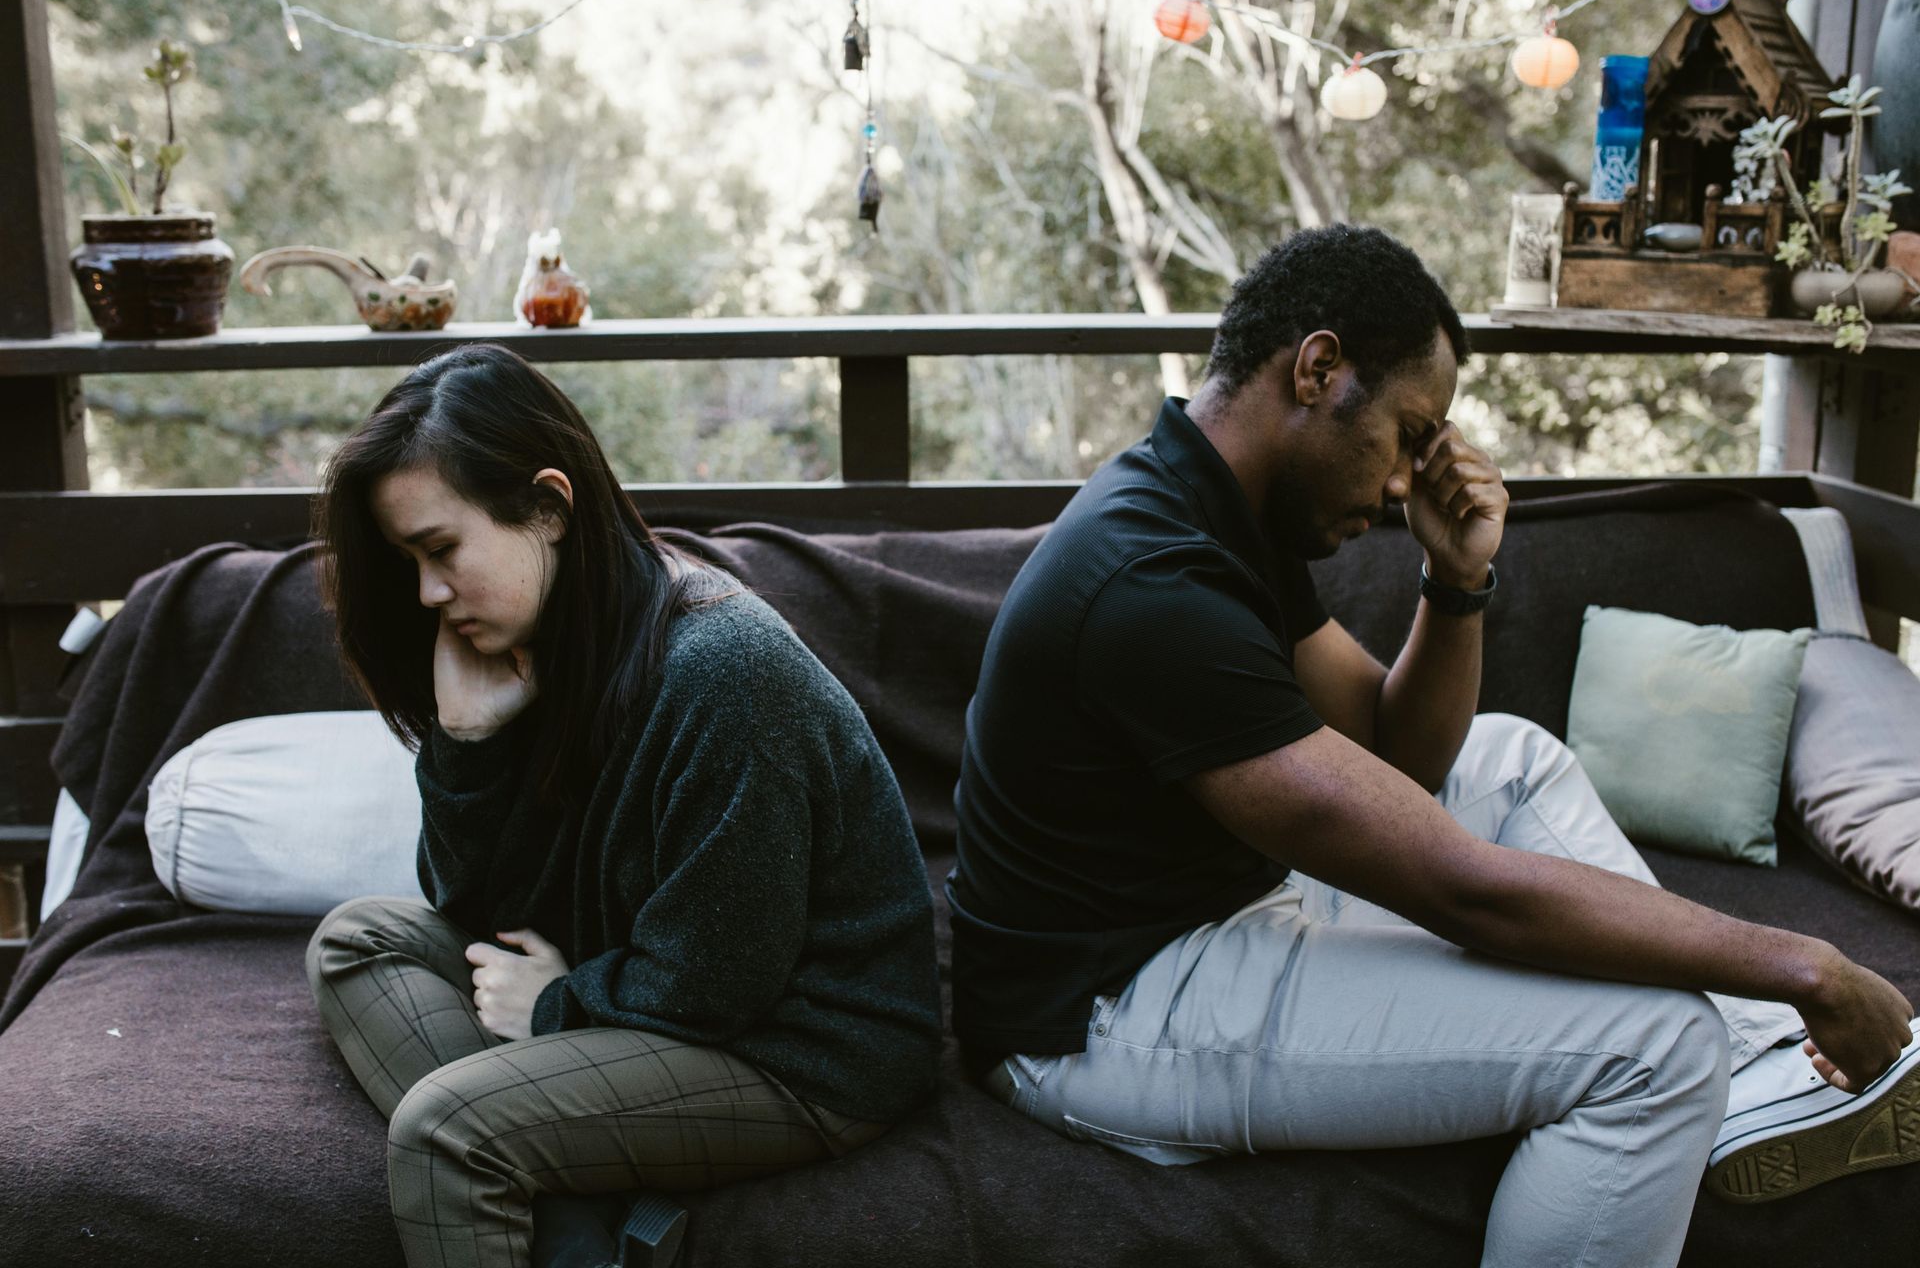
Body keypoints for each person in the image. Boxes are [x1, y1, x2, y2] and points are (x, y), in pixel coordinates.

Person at [947, 224, 1920, 1267]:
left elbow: (1401, 754)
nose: (1413, 480)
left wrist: (1456, 581)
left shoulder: (1213, 503)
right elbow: (1464, 889)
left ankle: (1763, 1075)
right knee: (1657, 1047)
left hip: (1200, 909)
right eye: (1413, 432)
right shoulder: (1152, 578)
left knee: (1509, 752)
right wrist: (1808, 966)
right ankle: (1722, 1065)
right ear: (1319, 369)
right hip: (1103, 1012)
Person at [305, 343, 942, 1268]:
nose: (428, 594)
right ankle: (579, 1235)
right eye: (410, 560)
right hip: (636, 981)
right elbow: (468, 907)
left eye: (441, 551)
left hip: (799, 1053)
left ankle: (523, 1175)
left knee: (445, 1131)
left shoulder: (725, 673)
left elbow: (716, 985)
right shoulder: (536, 649)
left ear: (549, 506)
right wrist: (465, 745)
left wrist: (556, 1006)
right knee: (358, 937)